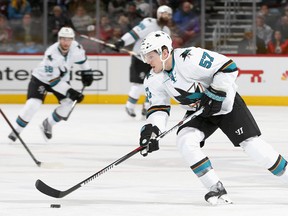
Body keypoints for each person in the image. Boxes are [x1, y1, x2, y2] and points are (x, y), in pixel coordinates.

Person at [138, 30, 288, 205]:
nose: (147, 61)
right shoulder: (153, 79)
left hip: (226, 105)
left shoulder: (190, 58)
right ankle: (214, 186)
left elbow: (229, 67)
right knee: (185, 140)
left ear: (164, 52)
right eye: (146, 57)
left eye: (150, 56)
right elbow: (158, 107)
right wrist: (152, 131)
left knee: (251, 145)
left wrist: (215, 93)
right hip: (200, 112)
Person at [8, 27, 94, 142]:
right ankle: (16, 130)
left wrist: (87, 73)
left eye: (69, 39)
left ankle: (48, 124)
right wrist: (71, 92)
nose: (66, 42)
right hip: (42, 79)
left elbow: (83, 60)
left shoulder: (76, 47)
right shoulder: (51, 53)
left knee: (68, 104)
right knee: (33, 104)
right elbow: (53, 82)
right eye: (63, 39)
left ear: (72, 40)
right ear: (59, 39)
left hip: (62, 80)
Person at [113, 5, 172, 118]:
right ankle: (130, 106)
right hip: (140, 58)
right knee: (139, 84)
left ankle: (147, 106)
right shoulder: (149, 23)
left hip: (156, 62)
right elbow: (134, 33)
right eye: (165, 13)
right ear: (159, 14)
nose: (167, 16)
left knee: (154, 84)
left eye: (169, 15)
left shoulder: (166, 30)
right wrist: (122, 42)